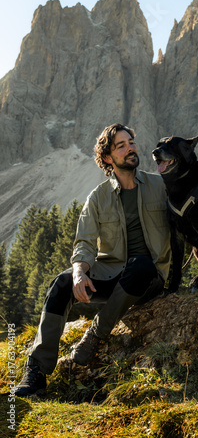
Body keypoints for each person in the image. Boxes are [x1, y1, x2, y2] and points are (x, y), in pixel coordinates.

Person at [14, 123, 171, 397]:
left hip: (149, 279)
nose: (130, 148)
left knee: (141, 265)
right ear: (109, 158)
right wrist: (78, 273)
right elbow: (84, 243)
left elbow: (196, 212)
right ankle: (36, 371)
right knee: (61, 284)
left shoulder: (161, 184)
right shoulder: (98, 197)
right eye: (121, 145)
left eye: (131, 142)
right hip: (113, 275)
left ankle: (95, 335)